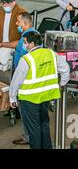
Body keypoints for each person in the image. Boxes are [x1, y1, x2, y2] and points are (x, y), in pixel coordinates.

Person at [9, 31, 70, 149]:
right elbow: (65, 68)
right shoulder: (51, 54)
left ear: (31, 44)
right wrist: (62, 84)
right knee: (44, 125)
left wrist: (12, 97)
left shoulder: (26, 59)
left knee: (34, 130)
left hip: (29, 99)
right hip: (46, 97)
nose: (24, 45)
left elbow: (16, 81)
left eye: (25, 43)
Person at [10, 12, 35, 146]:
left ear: (25, 24)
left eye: (18, 22)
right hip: (25, 77)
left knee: (25, 112)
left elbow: (26, 60)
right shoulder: (30, 35)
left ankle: (28, 137)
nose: (16, 24)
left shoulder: (27, 38)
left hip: (24, 80)